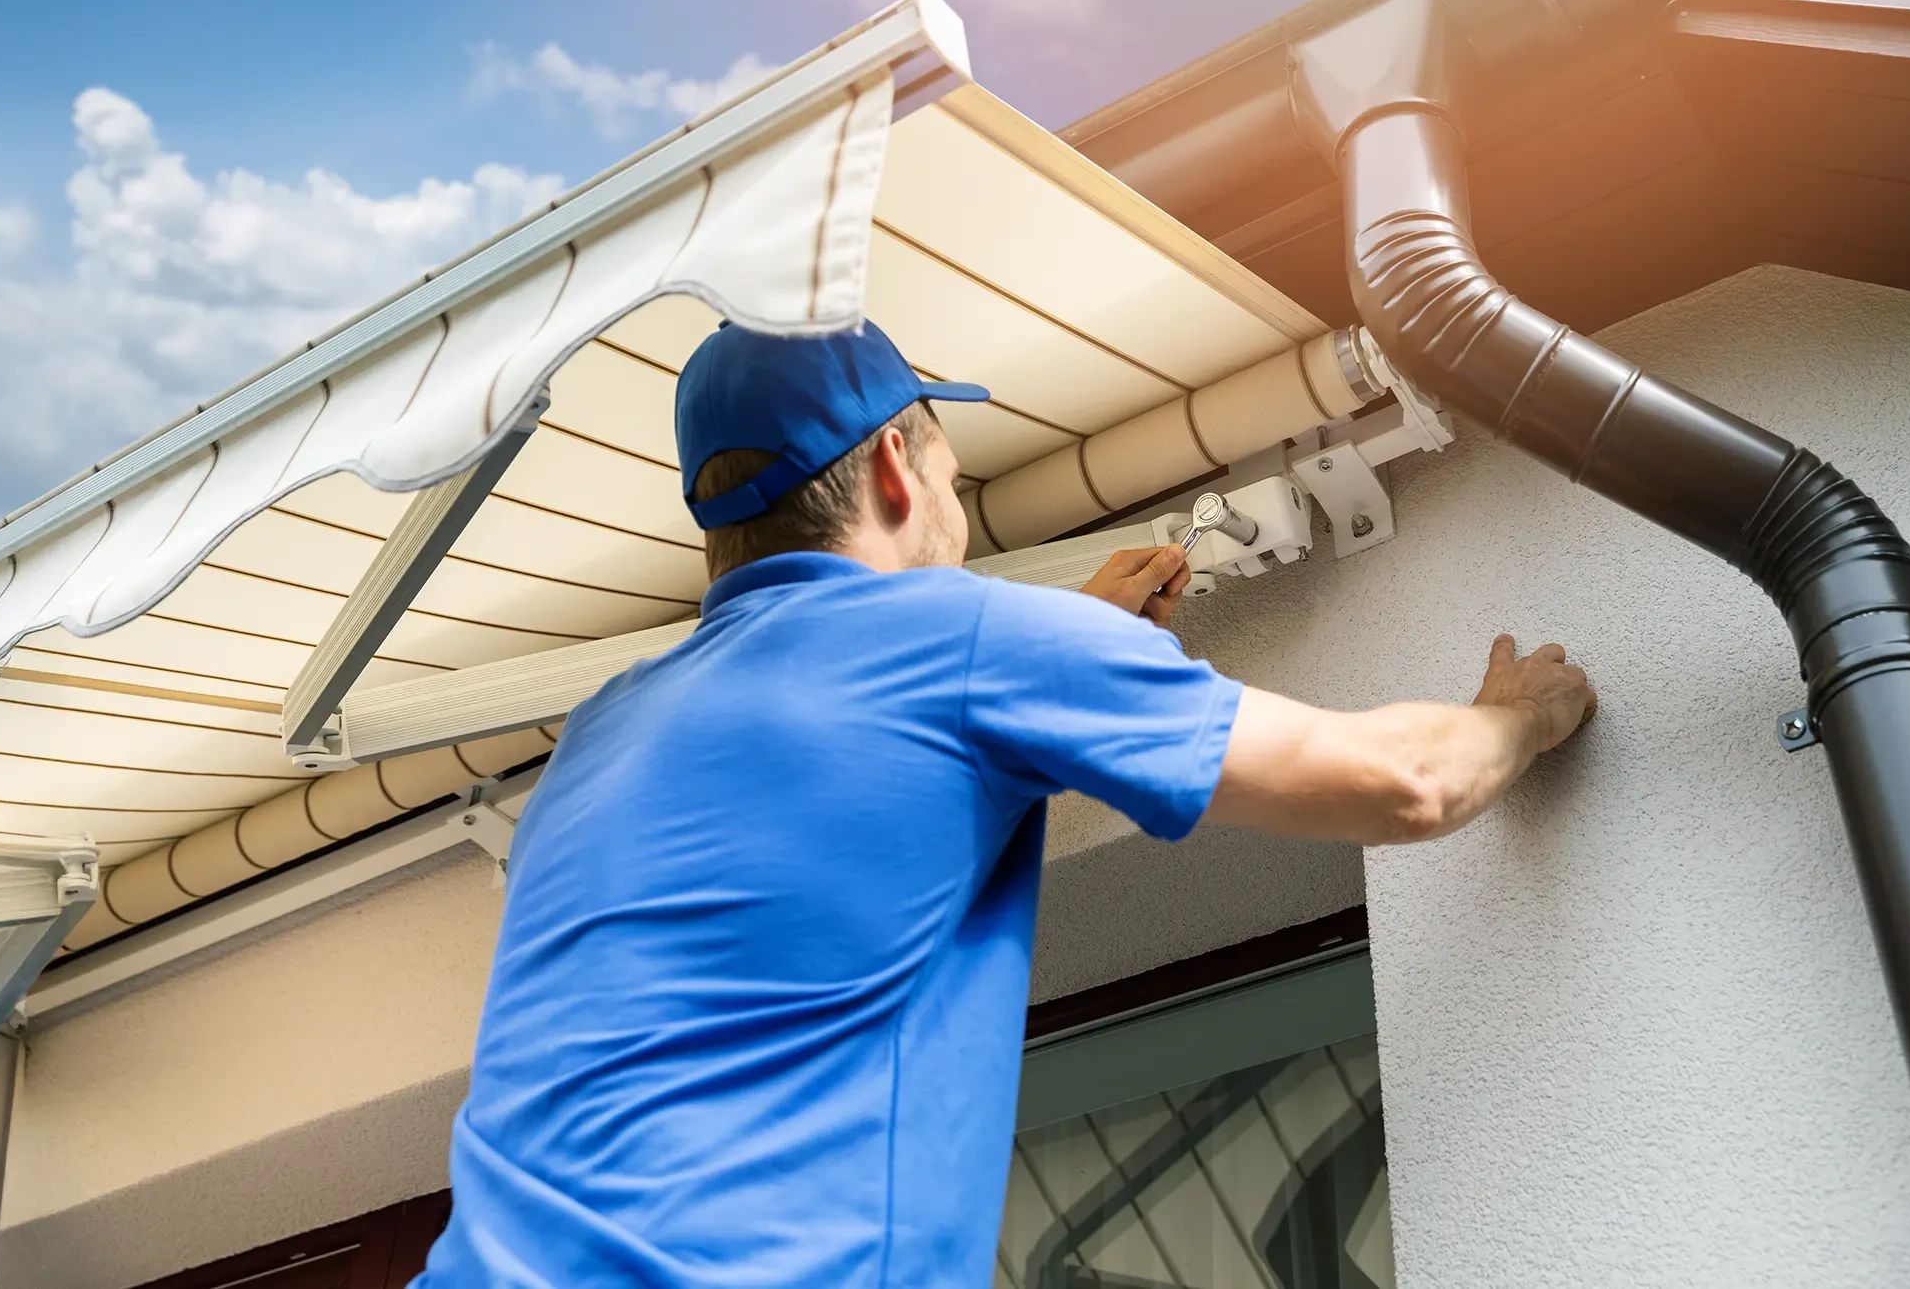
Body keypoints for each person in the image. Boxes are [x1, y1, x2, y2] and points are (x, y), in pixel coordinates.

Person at [417, 320, 1596, 1287]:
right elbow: (1405, 783)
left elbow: (835, 795)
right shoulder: (973, 646)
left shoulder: (602, 731)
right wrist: (1521, 712)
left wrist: (1055, 658)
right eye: (947, 466)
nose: (953, 494)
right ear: (892, 463)